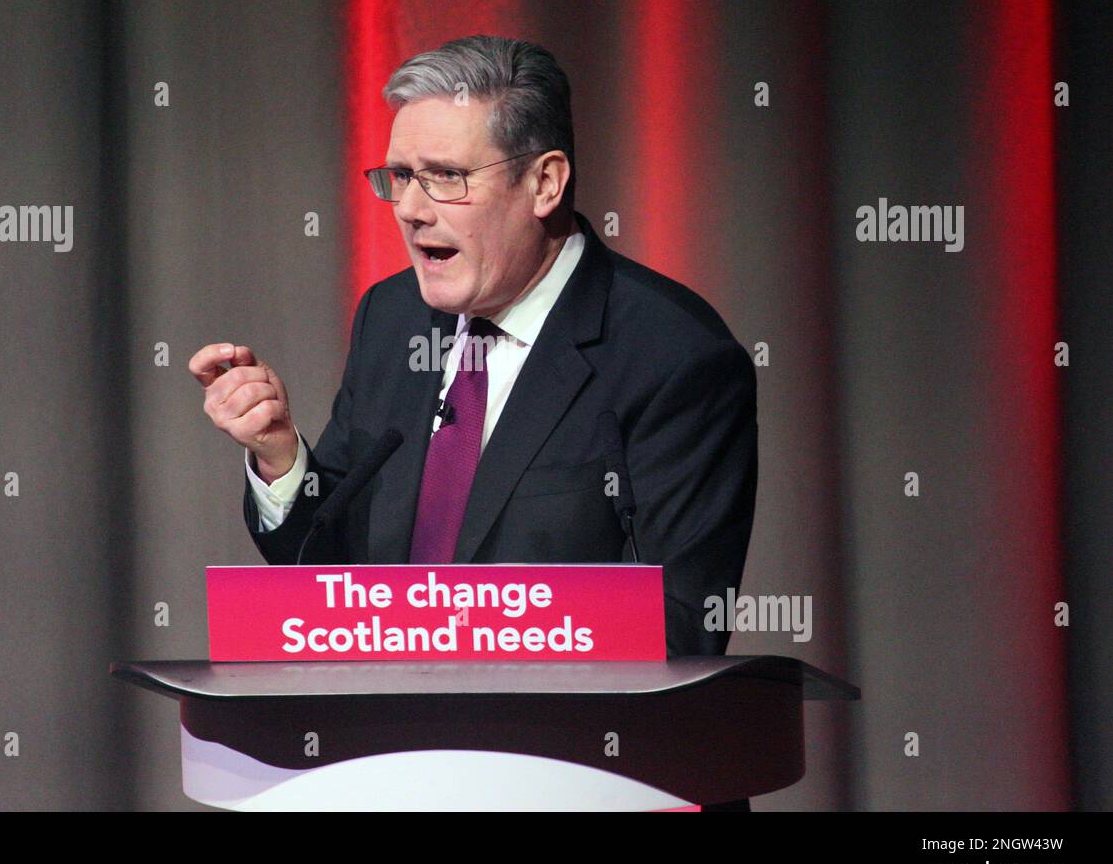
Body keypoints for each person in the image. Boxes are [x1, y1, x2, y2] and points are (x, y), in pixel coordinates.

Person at [189, 34, 758, 662]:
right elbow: (333, 579)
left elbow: (682, 629)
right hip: (379, 751)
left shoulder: (673, 355)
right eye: (401, 176)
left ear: (545, 183)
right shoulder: (392, 317)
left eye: (445, 178)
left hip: (557, 752)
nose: (408, 208)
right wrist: (279, 457)